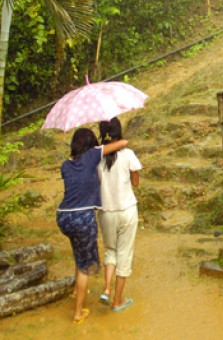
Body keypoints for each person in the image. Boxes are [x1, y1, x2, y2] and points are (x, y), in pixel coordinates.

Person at [56, 128, 128, 323]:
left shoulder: (65, 165)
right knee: (84, 267)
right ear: (90, 143)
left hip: (63, 216)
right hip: (83, 217)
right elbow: (123, 143)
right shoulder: (91, 156)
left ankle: (75, 291)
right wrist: (99, 147)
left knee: (78, 253)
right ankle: (78, 312)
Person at [98, 117, 141, 312]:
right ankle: (118, 301)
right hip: (127, 210)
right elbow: (136, 182)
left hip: (106, 212)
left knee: (110, 251)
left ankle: (106, 288)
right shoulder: (128, 154)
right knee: (124, 255)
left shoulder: (95, 156)